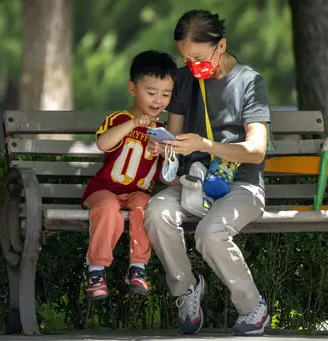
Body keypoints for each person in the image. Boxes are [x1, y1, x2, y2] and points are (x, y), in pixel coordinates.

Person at [145, 10, 271, 336]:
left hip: (242, 184)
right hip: (193, 183)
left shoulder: (249, 82)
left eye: (198, 58)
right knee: (157, 211)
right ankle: (186, 289)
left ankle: (252, 306)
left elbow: (256, 149)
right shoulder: (184, 80)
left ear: (221, 45)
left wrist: (206, 145)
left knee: (210, 232)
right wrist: (166, 153)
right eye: (185, 59)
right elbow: (173, 140)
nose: (191, 66)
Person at [81, 50, 177, 300]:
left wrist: (163, 152)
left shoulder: (162, 130)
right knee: (109, 206)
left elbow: (170, 170)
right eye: (151, 92)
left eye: (165, 94)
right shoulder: (119, 119)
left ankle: (138, 267)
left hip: (138, 194)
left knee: (146, 208)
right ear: (132, 89)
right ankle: (96, 270)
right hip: (105, 190)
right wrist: (133, 124)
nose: (158, 100)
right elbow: (103, 143)